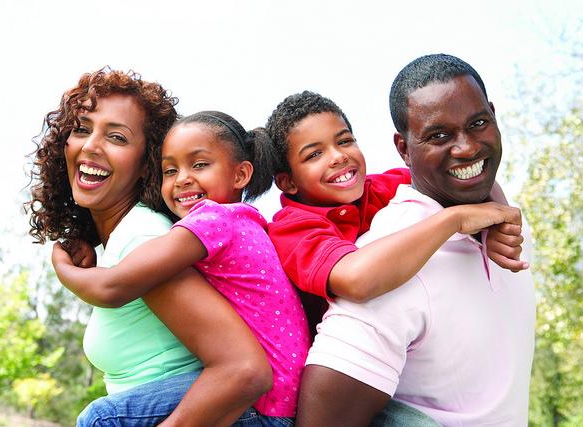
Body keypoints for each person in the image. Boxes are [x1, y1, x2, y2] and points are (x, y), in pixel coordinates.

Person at [298, 54, 536, 426]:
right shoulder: (397, 259)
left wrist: (499, 215)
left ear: (493, 114)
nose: (467, 148)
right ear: (404, 148)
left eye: (478, 123)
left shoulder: (507, 226)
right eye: (438, 136)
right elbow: (323, 416)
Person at [28, 69, 273, 426]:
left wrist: (63, 267)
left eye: (116, 137)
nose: (91, 145)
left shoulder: (144, 239)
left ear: (147, 165)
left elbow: (245, 370)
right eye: (81, 129)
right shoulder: (126, 239)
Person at [52, 111, 311, 425]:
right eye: (170, 170)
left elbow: (113, 287)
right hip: (284, 403)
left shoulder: (213, 220)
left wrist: (63, 265)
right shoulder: (245, 221)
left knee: (102, 418)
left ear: (241, 175)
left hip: (262, 404)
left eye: (199, 164)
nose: (182, 179)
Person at [265, 91, 527, 335]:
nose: (338, 157)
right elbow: (356, 281)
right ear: (288, 182)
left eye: (344, 141)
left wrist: (498, 223)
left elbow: (464, 177)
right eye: (314, 154)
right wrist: (453, 220)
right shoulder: (293, 230)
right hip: (349, 366)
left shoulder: (385, 187)